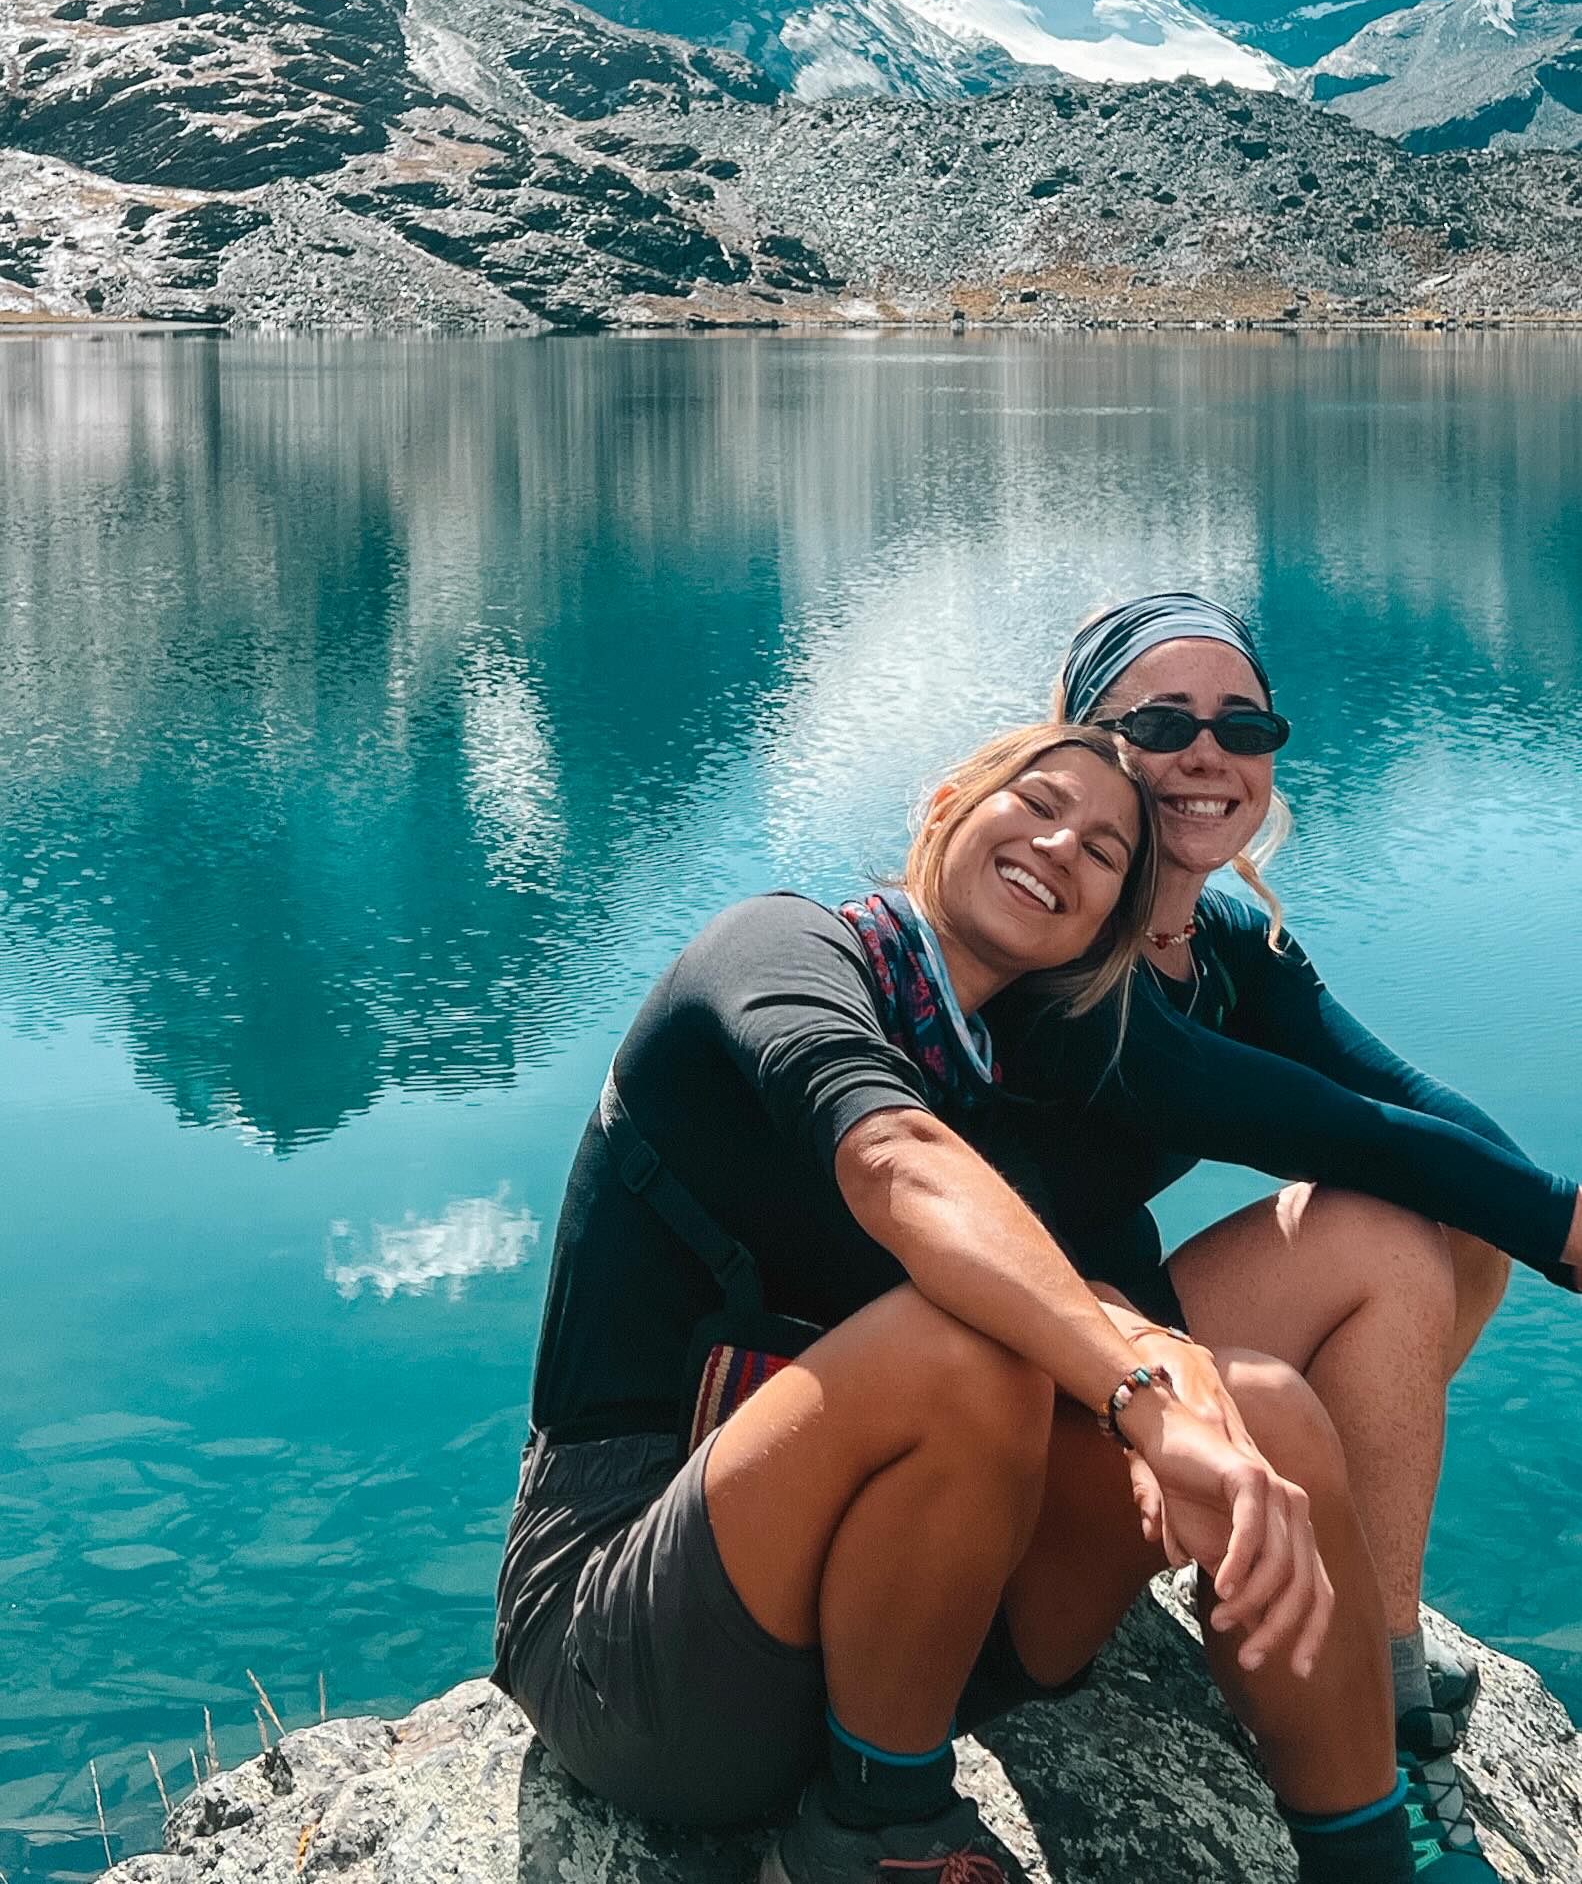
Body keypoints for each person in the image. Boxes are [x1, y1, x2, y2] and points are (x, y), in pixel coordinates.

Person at [494, 719, 1482, 1884]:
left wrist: (1182, 1379)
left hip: (901, 1633)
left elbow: (1081, 1284)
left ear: (1105, 923)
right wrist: (1143, 1399)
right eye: (1038, 802)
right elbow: (898, 1163)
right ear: (944, 806)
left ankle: (1369, 1854)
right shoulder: (781, 948)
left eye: (1105, 851)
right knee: (963, 1347)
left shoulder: (1003, 1084)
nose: (1061, 845)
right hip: (632, 1642)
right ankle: (881, 1830)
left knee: (1257, 1406)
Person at [987, 592, 1581, 1867]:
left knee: (1464, 1223)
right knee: (1384, 1230)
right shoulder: (1061, 964)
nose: (1208, 753)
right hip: (1016, 1411)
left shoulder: (1216, 940)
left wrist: (1546, 1214)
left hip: (1110, 1351)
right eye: (1162, 721)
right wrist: (1565, 1229)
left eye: (1242, 725)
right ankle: (1381, 1712)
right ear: (1086, 742)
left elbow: (1413, 1103)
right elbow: (1337, 1130)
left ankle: (1358, 1623)